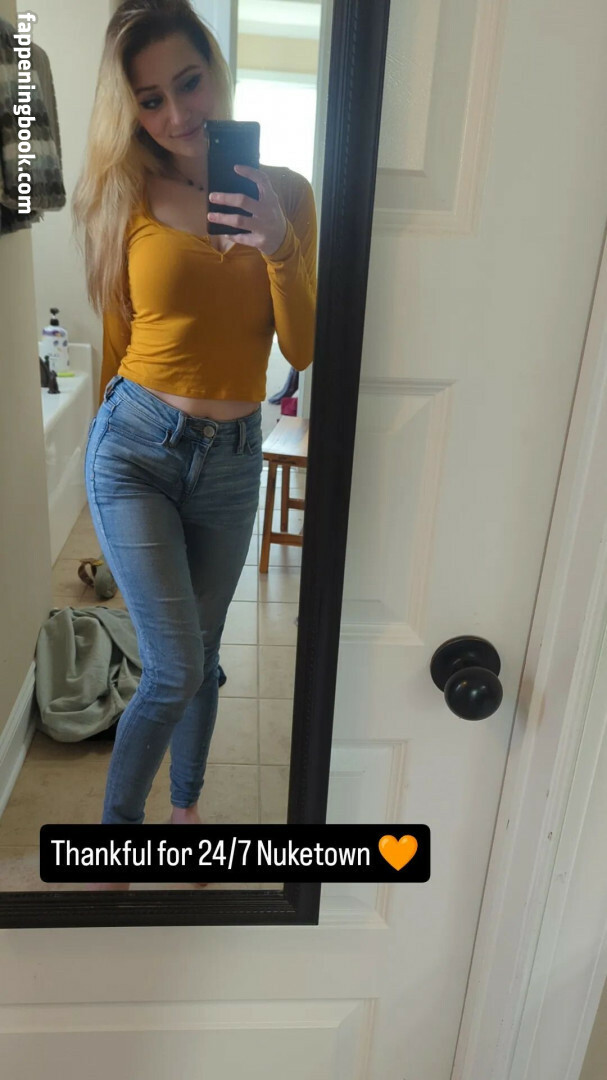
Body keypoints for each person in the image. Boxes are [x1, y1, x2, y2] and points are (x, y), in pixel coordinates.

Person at [72, 0, 317, 890]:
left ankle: (185, 809)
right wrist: (98, 480)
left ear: (216, 69)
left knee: (202, 661)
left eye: (189, 82)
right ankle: (118, 835)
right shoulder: (121, 195)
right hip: (136, 445)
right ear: (131, 110)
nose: (177, 113)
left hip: (235, 457)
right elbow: (114, 338)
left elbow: (302, 348)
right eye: (150, 99)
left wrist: (278, 245)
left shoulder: (288, 192)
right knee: (174, 666)